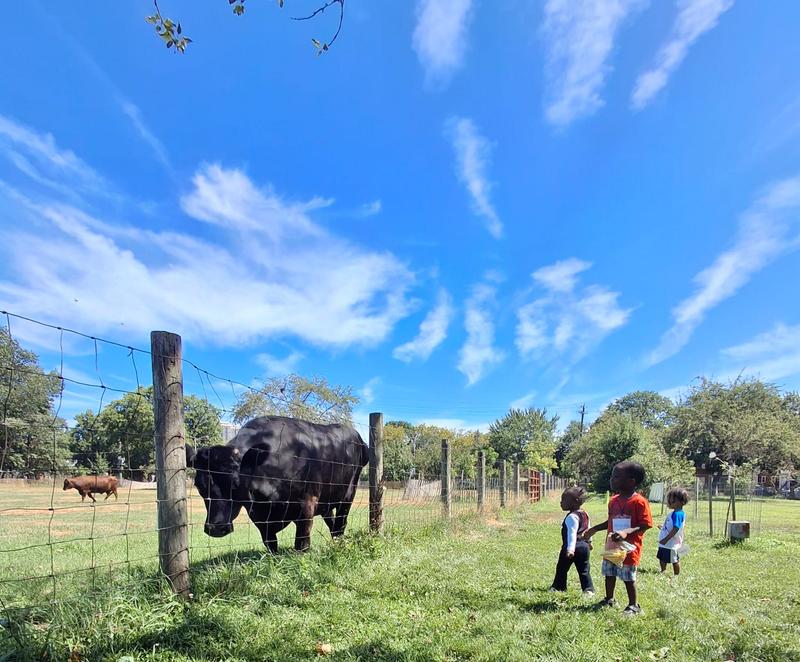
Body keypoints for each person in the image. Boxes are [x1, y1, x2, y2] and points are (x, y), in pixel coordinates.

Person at [583, 461, 653, 616]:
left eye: (616, 477)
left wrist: (626, 532)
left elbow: (646, 524)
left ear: (631, 481)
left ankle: (633, 605)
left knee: (628, 576)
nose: (612, 479)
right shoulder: (613, 500)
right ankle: (609, 599)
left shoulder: (639, 501)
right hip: (612, 545)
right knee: (609, 572)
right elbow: (611, 521)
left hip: (629, 547)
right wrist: (594, 529)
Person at [550, 486, 594, 595]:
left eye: (564, 500)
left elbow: (572, 533)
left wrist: (570, 549)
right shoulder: (585, 513)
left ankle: (558, 587)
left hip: (572, 547)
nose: (561, 502)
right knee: (584, 570)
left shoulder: (572, 516)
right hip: (584, 547)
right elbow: (588, 529)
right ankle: (588, 590)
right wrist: (589, 542)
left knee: (562, 568)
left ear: (574, 502)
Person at [657, 487, 689, 575]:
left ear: (680, 502)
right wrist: (663, 527)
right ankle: (663, 571)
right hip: (667, 543)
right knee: (662, 558)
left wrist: (666, 539)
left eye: (671, 499)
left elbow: (676, 528)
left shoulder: (678, 514)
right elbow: (671, 526)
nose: (668, 502)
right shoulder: (675, 512)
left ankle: (676, 575)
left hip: (671, 543)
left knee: (674, 560)